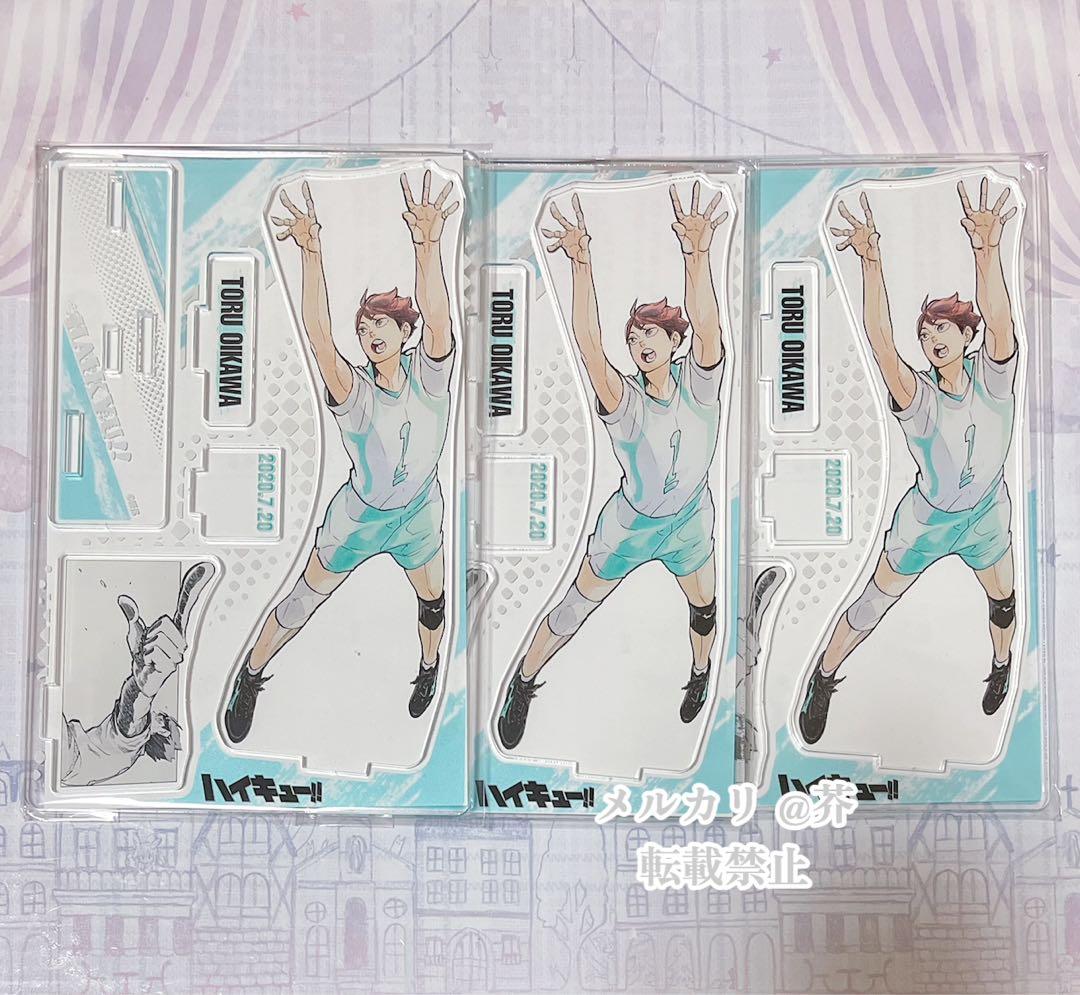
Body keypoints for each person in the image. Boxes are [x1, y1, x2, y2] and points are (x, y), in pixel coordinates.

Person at [223, 171, 459, 744]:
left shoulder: (430, 375)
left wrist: (427, 245)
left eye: (381, 323)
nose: (370, 332)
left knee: (433, 600)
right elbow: (319, 335)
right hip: (360, 516)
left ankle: (429, 666)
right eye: (364, 326)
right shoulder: (353, 392)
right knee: (303, 600)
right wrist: (311, 251)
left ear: (403, 332)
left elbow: (438, 315)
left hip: (419, 510)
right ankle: (250, 675)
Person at [496, 181, 729, 751]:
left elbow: (707, 325)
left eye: (651, 332)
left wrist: (696, 254)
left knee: (704, 607)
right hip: (630, 524)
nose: (640, 341)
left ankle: (700, 672)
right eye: (634, 335)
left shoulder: (700, 383)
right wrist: (581, 263)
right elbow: (588, 343)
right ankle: (524, 680)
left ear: (672, 341)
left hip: (689, 518)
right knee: (575, 606)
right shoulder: (623, 400)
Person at [798, 178, 1020, 746]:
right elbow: (880, 340)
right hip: (927, 519)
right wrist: (871, 261)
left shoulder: (994, 378)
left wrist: (986, 249)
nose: (930, 336)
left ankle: (1001, 666)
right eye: (924, 332)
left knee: (1003, 600)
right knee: (873, 602)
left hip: (987, 510)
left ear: (966, 336)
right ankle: (824, 677)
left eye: (942, 327)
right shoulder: (916, 397)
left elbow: (999, 319)